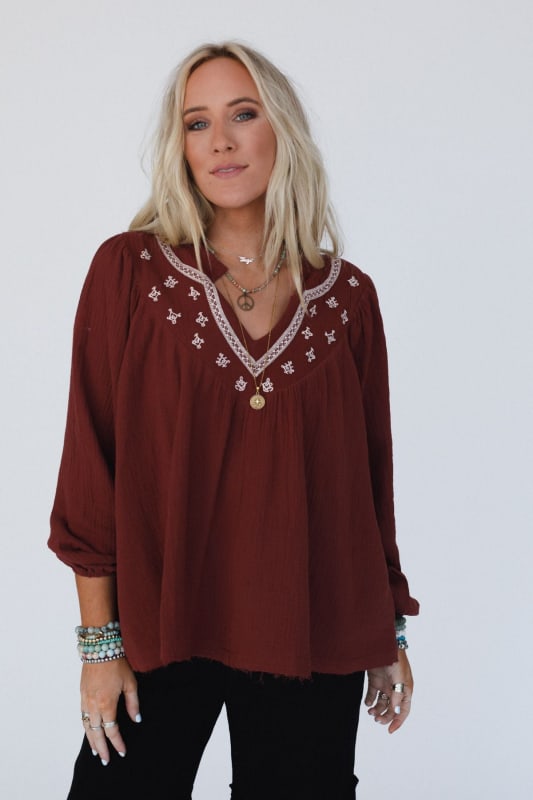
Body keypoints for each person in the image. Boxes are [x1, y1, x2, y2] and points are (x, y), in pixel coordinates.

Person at [49, 41, 419, 800]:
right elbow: (91, 464)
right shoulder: (129, 273)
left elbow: (367, 483)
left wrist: (385, 629)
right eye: (197, 123)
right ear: (180, 147)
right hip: (160, 626)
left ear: (281, 129)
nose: (219, 140)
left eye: (242, 115)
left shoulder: (347, 298)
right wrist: (99, 646)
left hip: (313, 627)